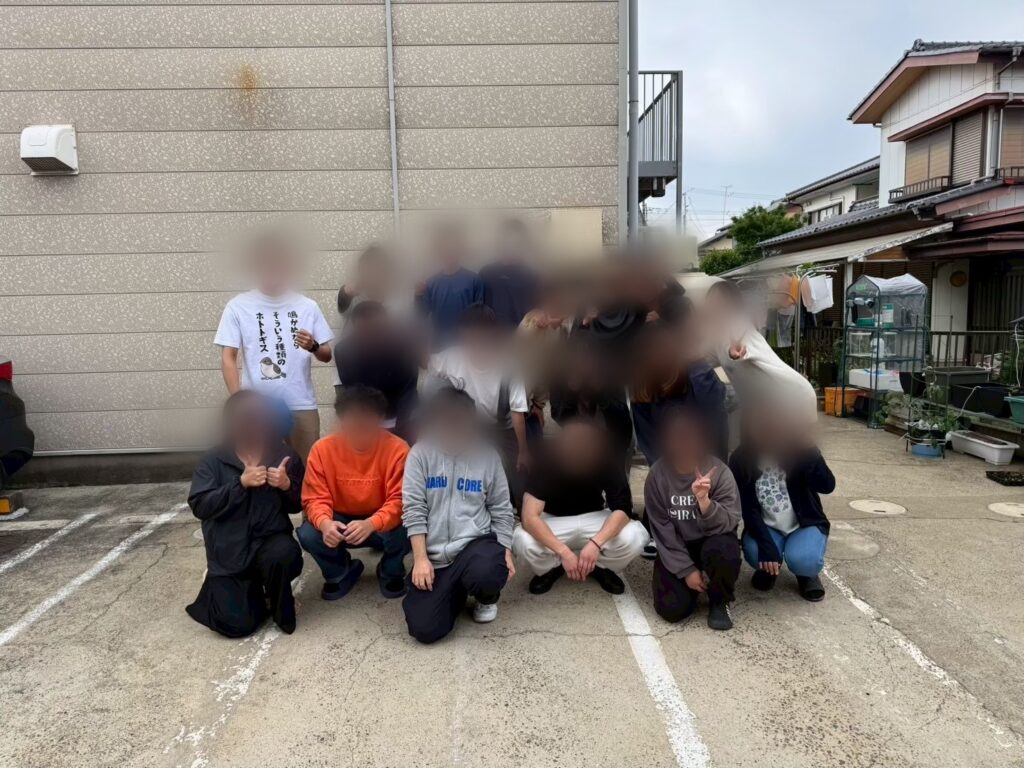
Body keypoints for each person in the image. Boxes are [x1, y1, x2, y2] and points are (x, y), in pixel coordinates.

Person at [186, 391, 305, 638]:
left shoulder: (284, 455)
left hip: (270, 542)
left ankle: (276, 600)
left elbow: (298, 505)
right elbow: (201, 505)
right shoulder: (213, 459)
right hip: (230, 550)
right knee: (237, 625)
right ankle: (225, 587)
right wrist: (240, 484)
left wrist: (286, 485)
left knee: (285, 555)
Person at [401, 388, 516, 643]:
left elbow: (501, 508)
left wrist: (505, 549)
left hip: (475, 546)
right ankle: (455, 591)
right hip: (436, 557)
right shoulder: (420, 454)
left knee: (489, 570)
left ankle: (486, 597)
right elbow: (414, 509)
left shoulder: (488, 455)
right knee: (424, 629)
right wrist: (420, 559)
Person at [215, 229, 333, 462]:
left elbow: (327, 354)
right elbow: (228, 357)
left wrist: (313, 346)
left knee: (306, 467)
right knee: (259, 467)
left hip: (301, 402)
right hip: (257, 406)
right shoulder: (238, 306)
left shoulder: (307, 306)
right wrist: (239, 400)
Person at [297, 385, 410, 600]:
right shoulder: (322, 449)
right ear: (341, 420)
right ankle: (339, 572)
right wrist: (325, 523)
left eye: (366, 422)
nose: (359, 428)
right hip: (339, 520)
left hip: (381, 522)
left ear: (380, 419)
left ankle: (391, 570)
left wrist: (372, 523)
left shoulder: (398, 449)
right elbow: (314, 498)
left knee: (409, 523)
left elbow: (401, 500)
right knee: (308, 533)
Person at [513, 419, 648, 595]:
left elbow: (623, 509)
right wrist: (564, 552)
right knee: (522, 540)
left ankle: (601, 567)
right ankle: (552, 567)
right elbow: (529, 517)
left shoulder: (605, 458)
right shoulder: (546, 459)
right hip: (554, 520)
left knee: (636, 535)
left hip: (594, 517)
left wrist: (595, 544)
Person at [644, 408, 741, 631]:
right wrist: (686, 570)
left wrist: (704, 501)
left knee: (724, 550)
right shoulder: (657, 475)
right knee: (672, 610)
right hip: (678, 544)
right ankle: (693, 585)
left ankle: (720, 599)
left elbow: (730, 521)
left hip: (712, 539)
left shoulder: (719, 471)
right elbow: (661, 528)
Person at [427, 304, 530, 507]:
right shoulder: (453, 357)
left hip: (502, 428)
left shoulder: (509, 365)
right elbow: (427, 362)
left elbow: (517, 412)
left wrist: (523, 451)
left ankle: (514, 509)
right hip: (469, 429)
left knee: (515, 481)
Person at [730, 432, 836, 602]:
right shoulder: (741, 457)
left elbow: (827, 486)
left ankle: (806, 575)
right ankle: (770, 568)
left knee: (804, 559)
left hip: (804, 525)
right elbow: (748, 508)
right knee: (755, 552)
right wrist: (767, 546)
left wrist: (811, 451)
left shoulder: (799, 450)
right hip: (768, 527)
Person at [333, 300, 419, 443]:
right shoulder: (343, 351)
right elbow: (352, 390)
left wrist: (401, 426)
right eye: (365, 332)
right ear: (355, 329)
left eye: (377, 330)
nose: (372, 337)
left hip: (399, 413)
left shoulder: (403, 346)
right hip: (365, 415)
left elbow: (409, 389)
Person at [416, 222, 484, 350]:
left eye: (454, 247)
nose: (450, 251)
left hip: (466, 346)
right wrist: (418, 295)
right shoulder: (431, 283)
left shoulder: (474, 280)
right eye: (445, 247)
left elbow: (479, 317)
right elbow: (421, 314)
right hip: (439, 346)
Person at [480, 218, 539, 329]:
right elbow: (479, 313)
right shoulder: (486, 274)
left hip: (523, 335)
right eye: (506, 240)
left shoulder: (532, 276)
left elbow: (537, 314)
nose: (510, 245)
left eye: (516, 241)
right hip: (491, 336)